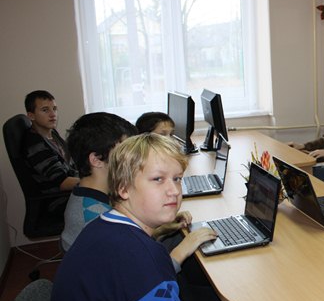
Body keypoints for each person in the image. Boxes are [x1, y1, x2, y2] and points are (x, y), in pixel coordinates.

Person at [47, 133, 310, 301]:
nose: (174, 190)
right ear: (123, 188)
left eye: (177, 178)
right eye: (158, 179)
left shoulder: (103, 227)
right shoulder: (137, 258)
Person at [61, 113, 216, 279]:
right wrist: (182, 250)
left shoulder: (93, 196)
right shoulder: (92, 218)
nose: (134, 155)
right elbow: (141, 277)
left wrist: (162, 228)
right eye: (124, 149)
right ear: (96, 159)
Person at [22, 90, 79, 194]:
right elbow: (63, 182)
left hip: (71, 189)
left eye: (54, 109)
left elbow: (69, 164)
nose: (53, 114)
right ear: (31, 116)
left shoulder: (52, 133)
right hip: (60, 198)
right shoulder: (36, 145)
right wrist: (94, 182)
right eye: (45, 110)